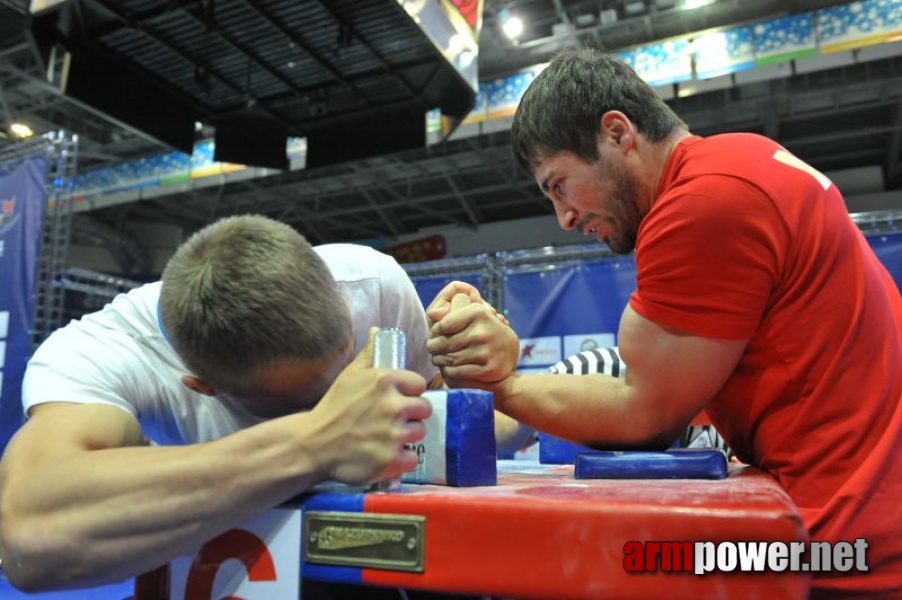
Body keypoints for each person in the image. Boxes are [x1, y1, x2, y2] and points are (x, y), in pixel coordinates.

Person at [426, 49, 902, 597]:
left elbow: (643, 412)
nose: (565, 218)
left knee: (614, 566)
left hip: (838, 547)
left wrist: (501, 383)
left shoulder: (703, 201)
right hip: (858, 529)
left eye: (559, 185)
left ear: (617, 133)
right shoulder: (744, 160)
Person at [0, 214, 521, 594]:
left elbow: (431, 448)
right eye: (299, 397)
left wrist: (502, 384)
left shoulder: (372, 284)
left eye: (338, 368)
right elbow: (29, 531)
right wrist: (318, 439)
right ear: (202, 385)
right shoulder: (105, 352)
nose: (330, 399)